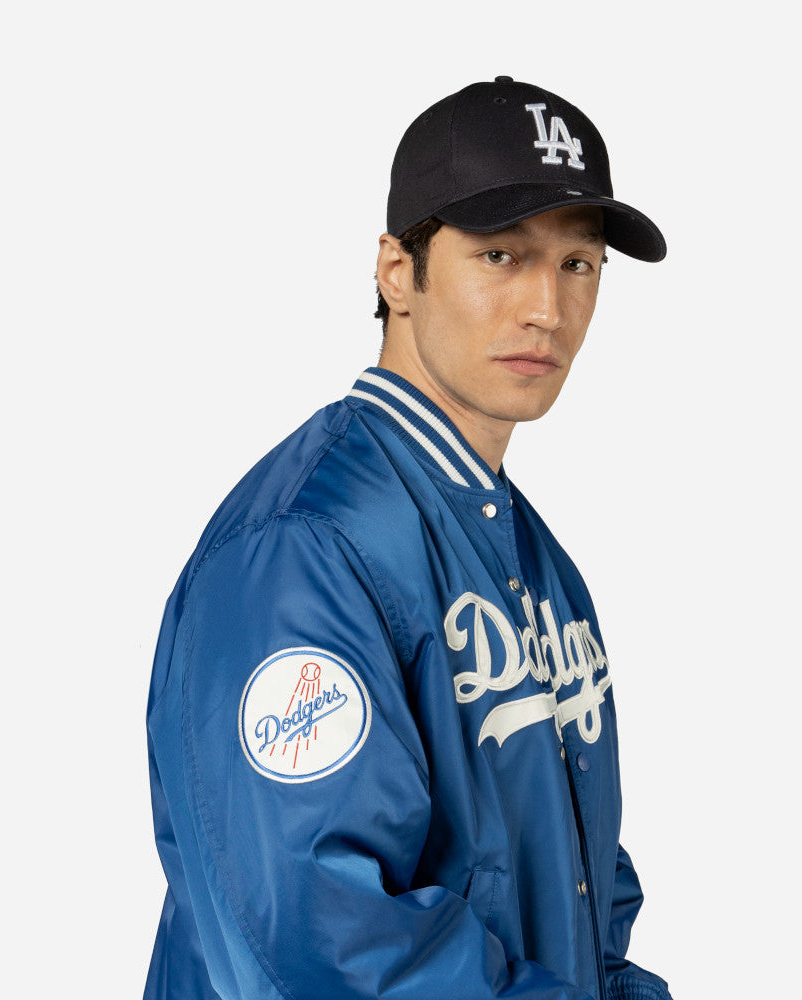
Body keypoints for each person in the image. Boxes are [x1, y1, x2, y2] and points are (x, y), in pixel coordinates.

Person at [145, 76, 673, 1000]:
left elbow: (581, 882)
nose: (547, 308)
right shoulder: (302, 549)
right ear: (398, 271)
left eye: (578, 264)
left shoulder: (529, 553)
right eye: (501, 255)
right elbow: (323, 945)